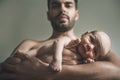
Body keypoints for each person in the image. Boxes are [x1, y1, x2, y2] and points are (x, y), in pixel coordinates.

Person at [0, 0, 120, 80]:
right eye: (56, 5)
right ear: (48, 14)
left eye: (68, 5)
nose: (62, 9)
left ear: (76, 14)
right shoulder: (30, 44)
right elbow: (5, 72)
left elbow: (118, 71)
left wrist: (45, 72)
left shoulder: (100, 44)